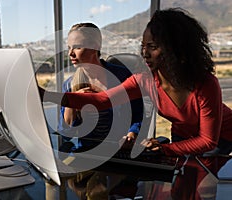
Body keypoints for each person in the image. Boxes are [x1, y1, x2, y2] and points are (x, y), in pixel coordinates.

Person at [40, 8, 232, 156]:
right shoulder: (145, 80)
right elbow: (103, 100)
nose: (144, 53)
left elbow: (208, 141)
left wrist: (164, 149)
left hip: (223, 137)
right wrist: (46, 95)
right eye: (143, 46)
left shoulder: (206, 83)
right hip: (182, 134)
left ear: (176, 49)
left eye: (153, 47)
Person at [58, 22, 143, 152]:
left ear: (95, 47)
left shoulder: (122, 76)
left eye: (77, 47)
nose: (70, 53)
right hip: (87, 153)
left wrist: (132, 134)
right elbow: (65, 134)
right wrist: (73, 102)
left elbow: (138, 114)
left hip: (119, 151)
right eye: (69, 47)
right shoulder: (70, 85)